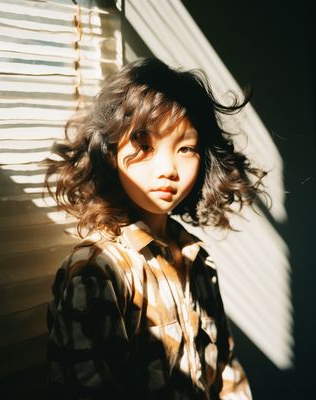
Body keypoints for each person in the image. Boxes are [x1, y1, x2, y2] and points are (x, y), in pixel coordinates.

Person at [45, 57, 266, 399]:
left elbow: (226, 376)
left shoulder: (197, 260)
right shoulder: (98, 271)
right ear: (110, 152)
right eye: (144, 145)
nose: (168, 169)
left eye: (186, 148)